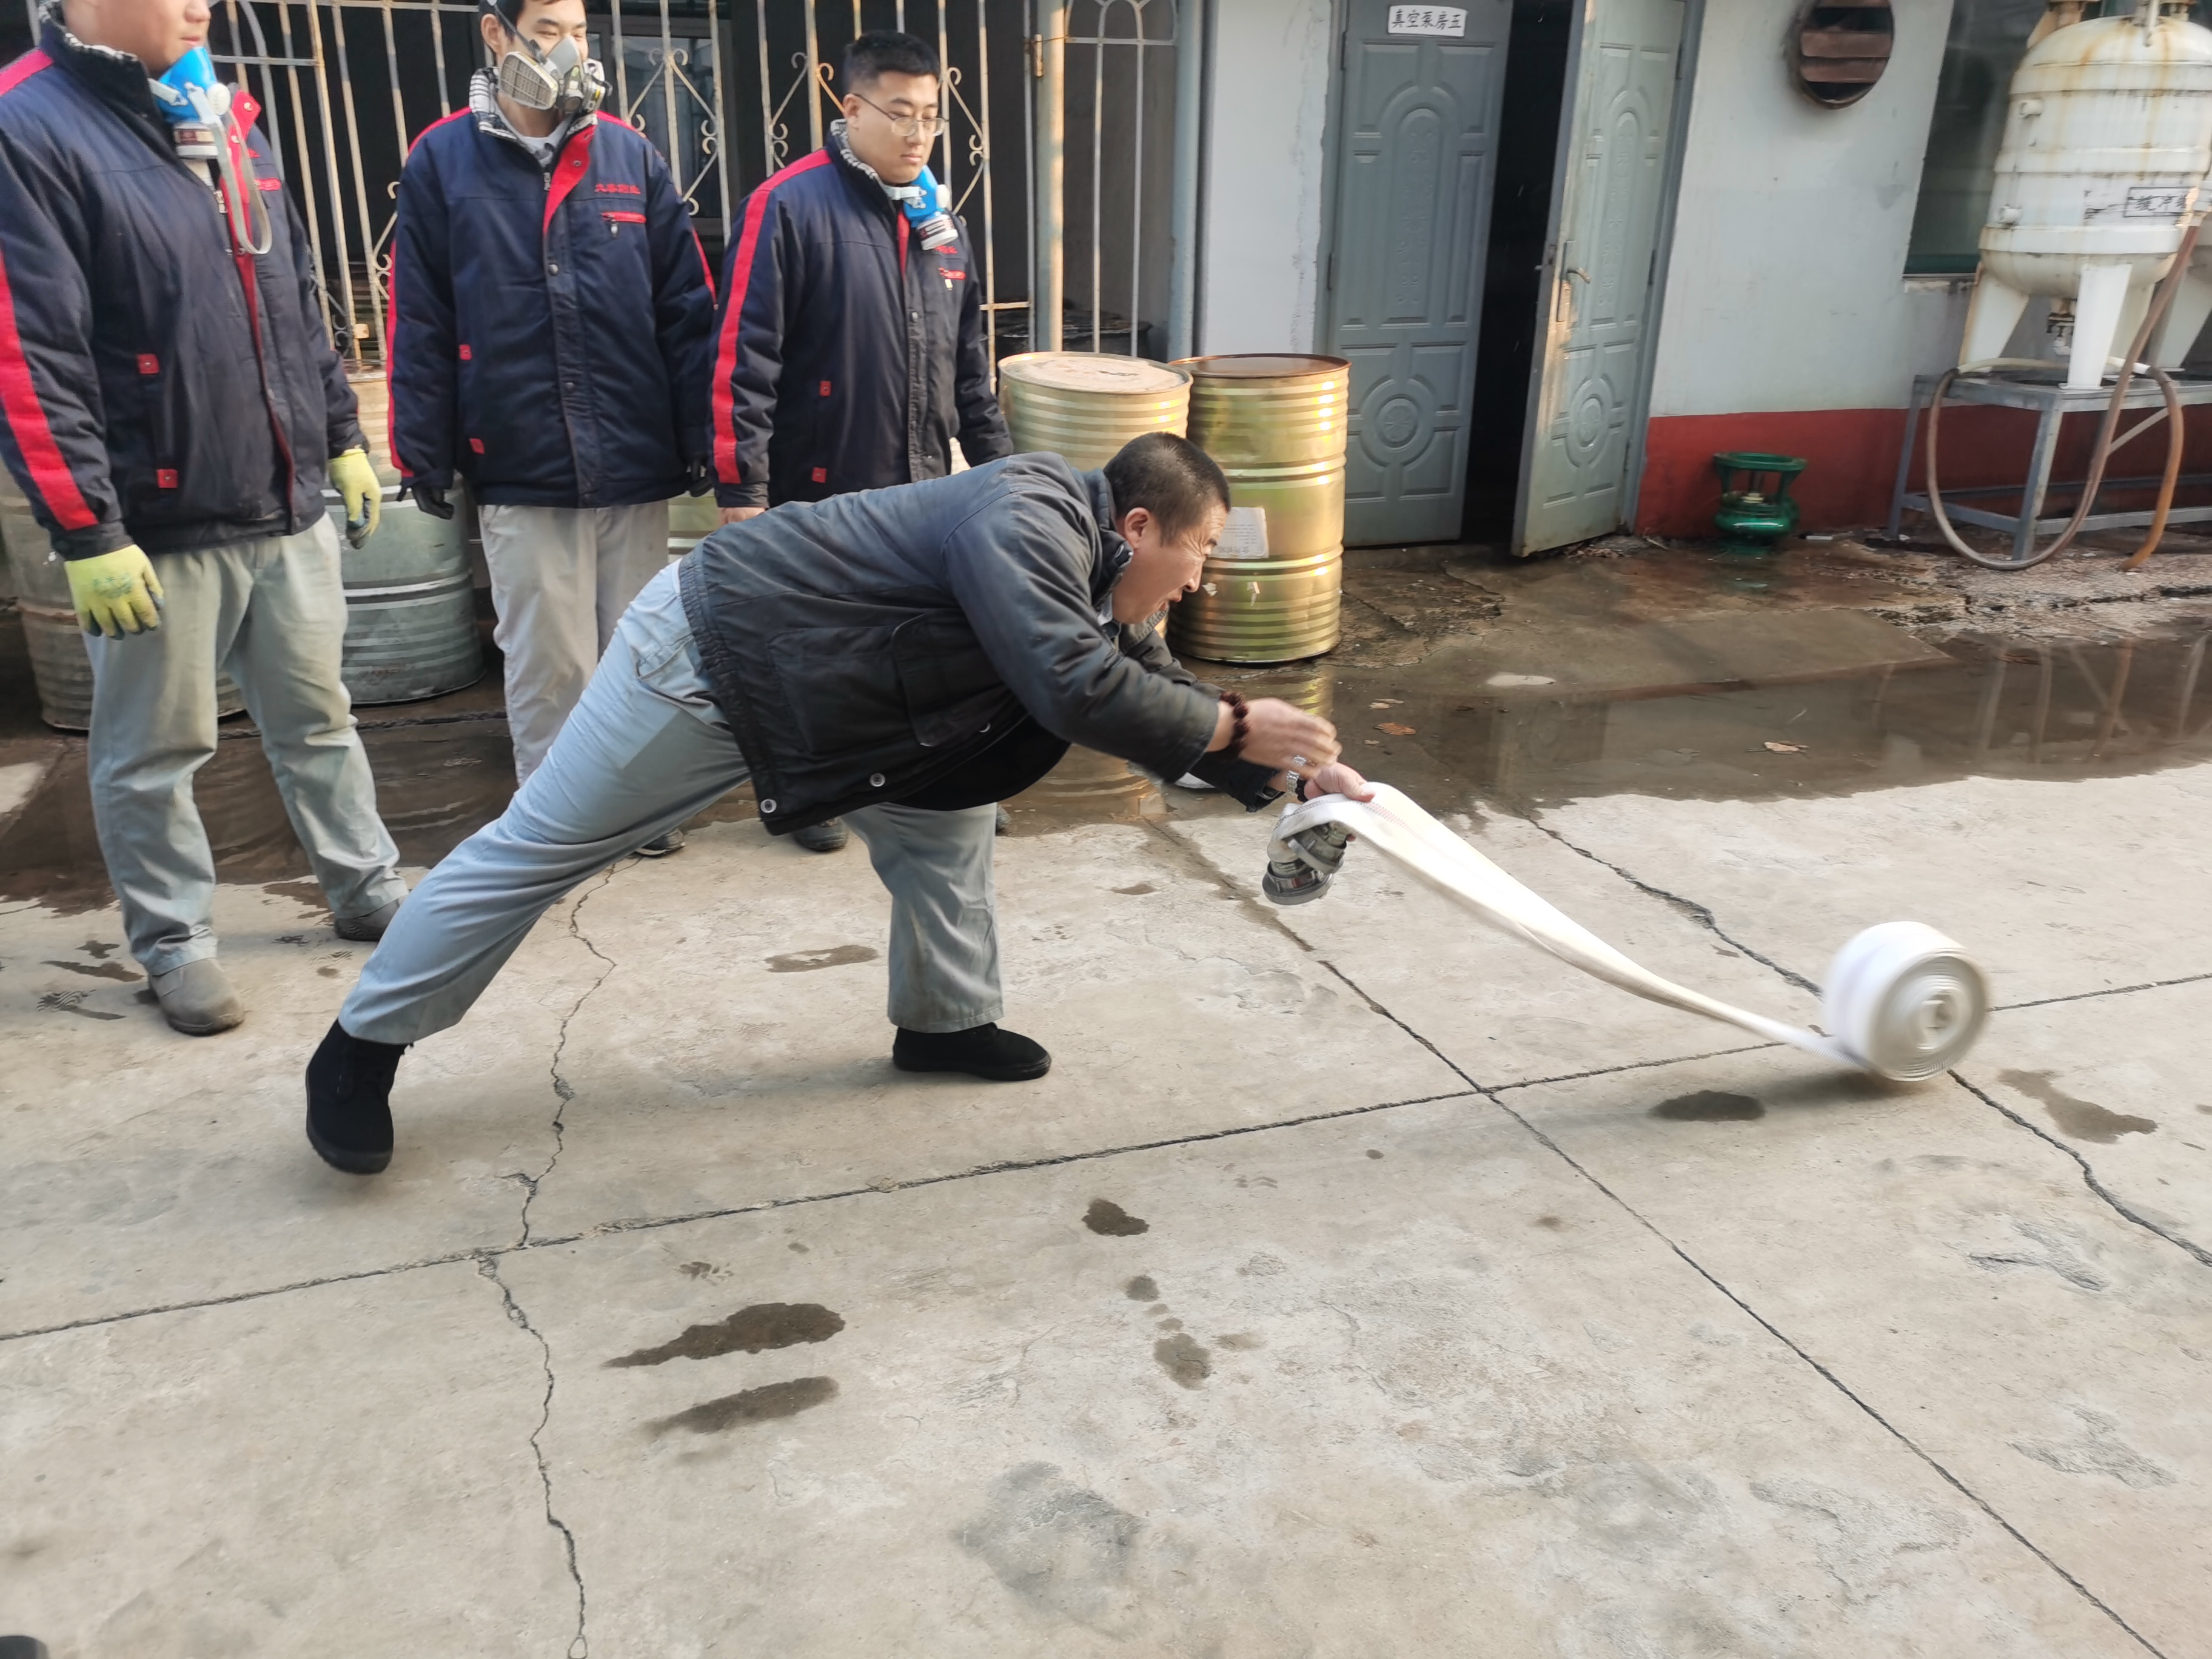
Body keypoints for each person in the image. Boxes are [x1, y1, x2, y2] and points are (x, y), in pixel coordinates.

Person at [303, 434, 1372, 1175]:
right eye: (1198, 554)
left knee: (948, 836)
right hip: (713, 661)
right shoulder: (1028, 513)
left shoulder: (1098, 570)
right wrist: (1236, 724)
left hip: (857, 711)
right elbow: (1069, 681)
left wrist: (1287, 774)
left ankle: (946, 1026)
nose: (1197, 583)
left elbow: (1152, 686)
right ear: (1139, 524)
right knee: (540, 847)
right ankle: (360, 1047)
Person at [0, 0, 407, 1035]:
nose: (203, 7)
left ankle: (365, 883)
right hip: (157, 520)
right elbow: (28, 350)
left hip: (283, 500)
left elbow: (294, 297)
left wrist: (339, 435)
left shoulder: (223, 115)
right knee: (153, 751)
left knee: (318, 718)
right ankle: (175, 940)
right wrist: (88, 529)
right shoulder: (28, 125)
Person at [387, 0, 716, 851]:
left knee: (638, 648)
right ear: (496, 33)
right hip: (521, 454)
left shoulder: (629, 155)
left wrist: (702, 433)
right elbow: (421, 314)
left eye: (578, 31)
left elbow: (685, 307)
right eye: (546, 30)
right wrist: (422, 446)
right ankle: (557, 820)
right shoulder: (443, 160)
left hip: (632, 450)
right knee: (550, 659)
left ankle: (638, 807)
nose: (569, 50)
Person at [710, 28, 1014, 855]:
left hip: (921, 480)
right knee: (820, 646)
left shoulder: (941, 226)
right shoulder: (789, 206)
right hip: (821, 480)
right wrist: (743, 491)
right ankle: (815, 790)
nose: (918, 134)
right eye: (899, 112)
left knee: (928, 639)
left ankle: (939, 783)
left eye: (931, 116)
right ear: (851, 107)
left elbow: (969, 370)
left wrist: (1007, 476)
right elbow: (743, 357)